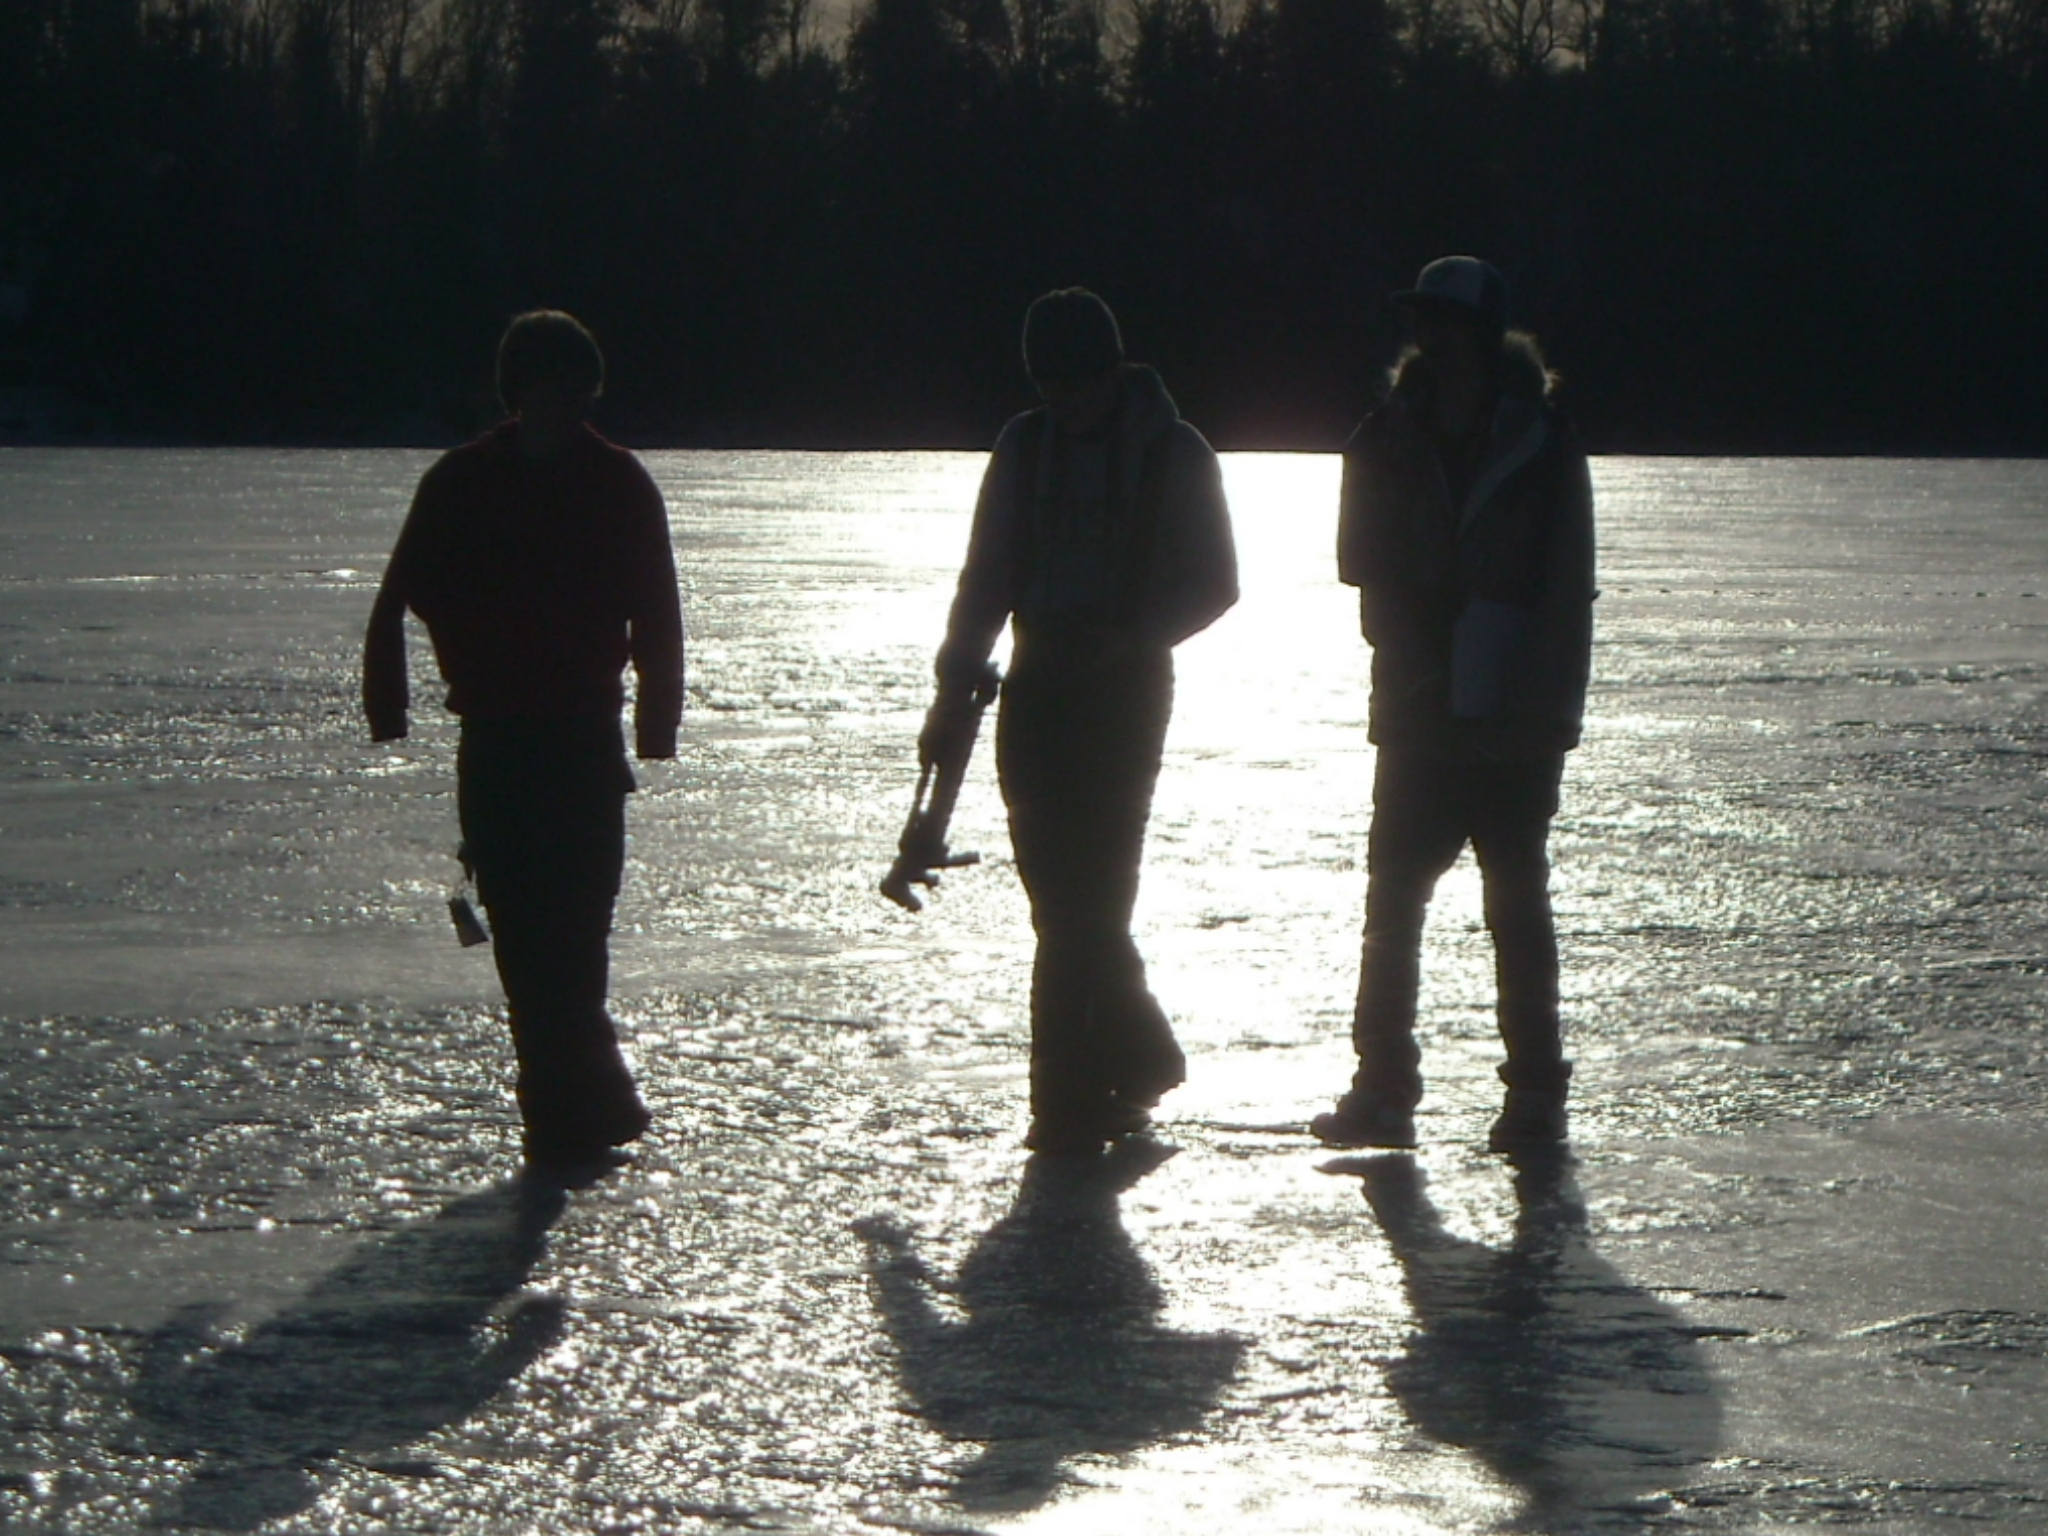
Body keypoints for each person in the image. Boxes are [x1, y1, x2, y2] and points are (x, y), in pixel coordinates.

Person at [363, 310, 684, 1175]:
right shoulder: (462, 481)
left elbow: (657, 609)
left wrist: (658, 722)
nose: (570, 400)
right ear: (519, 390)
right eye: (554, 383)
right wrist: (391, 705)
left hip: (584, 740)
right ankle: (570, 1112)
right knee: (521, 939)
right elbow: (398, 597)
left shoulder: (619, 483)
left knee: (575, 938)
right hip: (498, 742)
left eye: (582, 385)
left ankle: (576, 1111)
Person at [926, 288, 1238, 1155]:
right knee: (1060, 902)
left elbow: (1216, 580)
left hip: (1126, 695)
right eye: (1046, 383)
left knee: (1088, 901)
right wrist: (954, 685)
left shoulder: (1175, 454)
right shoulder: (1025, 449)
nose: (1061, 400)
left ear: (1111, 370)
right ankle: (1134, 1061)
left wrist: (1131, 637)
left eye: (1075, 382)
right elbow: (986, 575)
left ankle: (1065, 1104)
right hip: (1036, 687)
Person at [1312, 257, 1595, 1154]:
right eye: (1422, 318)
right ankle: (1382, 1087)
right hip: (1419, 710)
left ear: (1483, 333)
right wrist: (1410, 642)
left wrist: (1544, 709)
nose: (1431, 334)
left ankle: (1535, 1095)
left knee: (1515, 904)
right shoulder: (1386, 434)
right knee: (1392, 904)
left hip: (1513, 719)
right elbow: (1358, 557)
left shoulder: (1544, 441)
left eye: (1447, 320)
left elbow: (1567, 587)